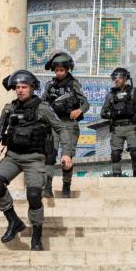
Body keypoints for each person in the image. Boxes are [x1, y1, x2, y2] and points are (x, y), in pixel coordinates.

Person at [0, 70, 73, 250]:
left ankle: (36, 235)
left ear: (32, 88)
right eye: (17, 87)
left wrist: (66, 152)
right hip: (13, 157)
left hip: (35, 159)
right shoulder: (9, 108)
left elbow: (62, 129)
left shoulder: (42, 108)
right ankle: (13, 221)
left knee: (34, 196)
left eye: (24, 87)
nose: (20, 90)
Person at [41, 52, 89, 198]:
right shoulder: (50, 85)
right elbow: (43, 102)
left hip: (69, 124)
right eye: (57, 70)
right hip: (53, 124)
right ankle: (47, 187)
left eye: (62, 70)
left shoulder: (74, 84)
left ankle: (66, 186)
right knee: (50, 155)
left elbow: (85, 103)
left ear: (67, 69)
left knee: (66, 156)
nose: (59, 73)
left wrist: (79, 110)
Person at [100, 67, 136, 177]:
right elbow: (103, 113)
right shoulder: (111, 95)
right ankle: (116, 175)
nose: (116, 80)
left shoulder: (133, 92)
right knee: (115, 154)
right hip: (117, 128)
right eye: (115, 78)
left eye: (119, 78)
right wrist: (114, 114)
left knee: (135, 152)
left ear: (125, 78)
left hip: (130, 126)